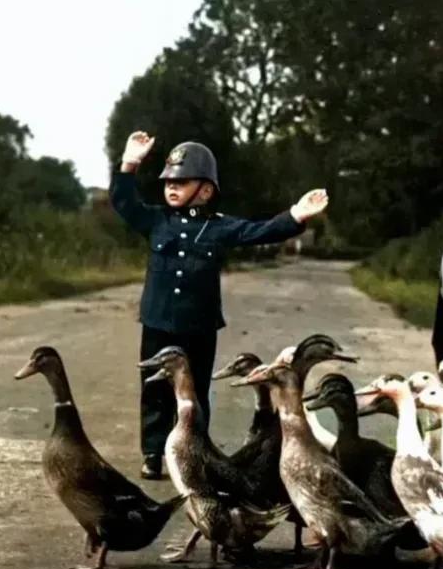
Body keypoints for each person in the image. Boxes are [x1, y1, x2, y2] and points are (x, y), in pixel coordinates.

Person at [111, 130, 329, 479]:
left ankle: (195, 452)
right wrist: (129, 163)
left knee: (197, 391)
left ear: (206, 190)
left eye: (182, 182)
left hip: (198, 326)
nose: (171, 187)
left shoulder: (218, 227)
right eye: (168, 181)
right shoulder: (156, 220)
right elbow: (124, 203)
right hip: (158, 321)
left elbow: (259, 231)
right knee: (154, 390)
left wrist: (296, 215)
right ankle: (152, 453)